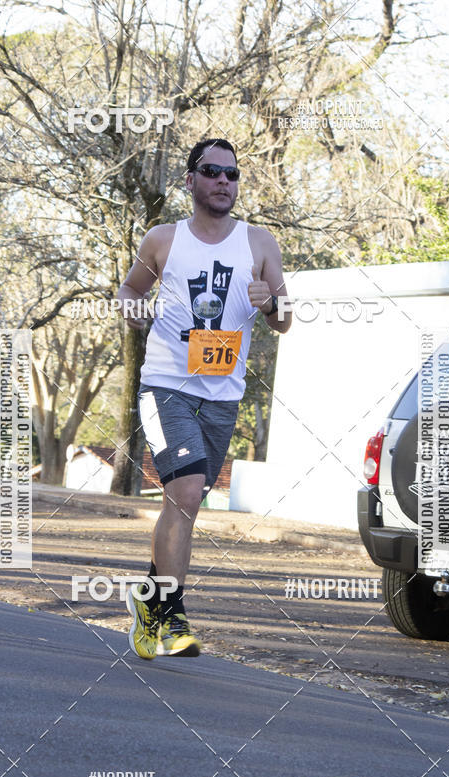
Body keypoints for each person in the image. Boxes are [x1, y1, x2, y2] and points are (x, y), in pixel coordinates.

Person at [118, 137, 291, 660]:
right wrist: (138, 312)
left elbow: (285, 320)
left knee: (185, 503)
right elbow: (130, 292)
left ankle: (148, 599)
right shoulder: (163, 240)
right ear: (190, 180)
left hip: (223, 396)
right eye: (212, 171)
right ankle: (171, 619)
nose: (223, 181)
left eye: (232, 174)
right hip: (165, 386)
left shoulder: (260, 244)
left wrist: (271, 304)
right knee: (188, 490)